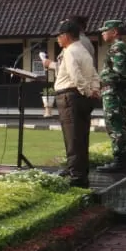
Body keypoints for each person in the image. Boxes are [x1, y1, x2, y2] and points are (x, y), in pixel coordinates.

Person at [46, 18, 102, 187]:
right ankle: (82, 175)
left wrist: (85, 90)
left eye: (59, 35)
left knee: (73, 139)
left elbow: (75, 75)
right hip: (82, 98)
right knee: (81, 137)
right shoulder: (84, 50)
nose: (57, 39)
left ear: (67, 36)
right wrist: (94, 90)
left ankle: (76, 178)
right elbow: (93, 74)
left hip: (70, 96)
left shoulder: (70, 51)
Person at [97, 19, 126, 172]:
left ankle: (120, 160)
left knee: (115, 123)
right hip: (117, 92)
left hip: (114, 93)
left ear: (115, 32)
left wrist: (103, 78)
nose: (103, 33)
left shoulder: (118, 47)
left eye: (106, 30)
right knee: (122, 123)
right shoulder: (118, 47)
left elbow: (120, 73)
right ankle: (124, 160)